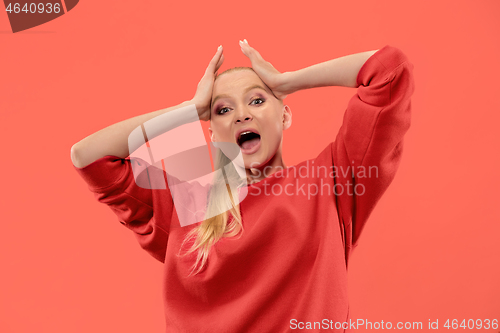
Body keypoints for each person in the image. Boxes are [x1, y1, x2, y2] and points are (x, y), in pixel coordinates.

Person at [71, 39, 415, 332]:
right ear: (211, 131)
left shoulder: (330, 181)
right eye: (222, 109)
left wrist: (287, 82)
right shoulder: (185, 204)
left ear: (285, 115)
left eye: (257, 100)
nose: (241, 115)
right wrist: (188, 110)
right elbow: (88, 156)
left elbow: (388, 71)